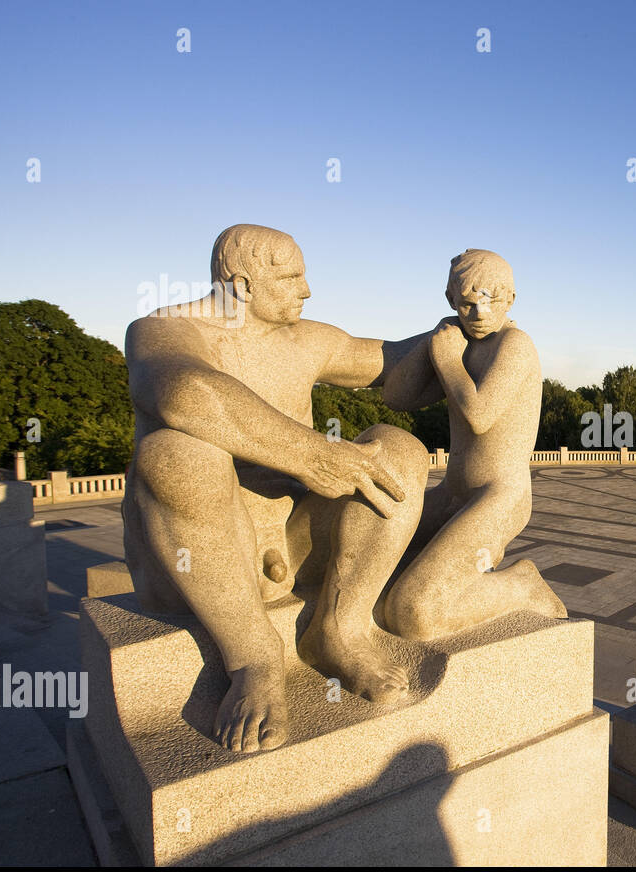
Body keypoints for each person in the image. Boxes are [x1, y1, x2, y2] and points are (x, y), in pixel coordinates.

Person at [123, 224, 429, 753]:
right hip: (205, 559)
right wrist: (313, 454)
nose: (306, 291)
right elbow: (185, 394)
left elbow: (393, 361)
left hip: (293, 541)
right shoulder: (164, 330)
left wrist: (464, 333)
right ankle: (253, 658)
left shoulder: (307, 339)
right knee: (175, 455)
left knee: (398, 452)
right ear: (241, 285)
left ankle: (340, 627)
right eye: (290, 278)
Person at [382, 250, 565, 640]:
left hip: (498, 499)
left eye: (491, 301)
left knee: (413, 612)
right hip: (453, 493)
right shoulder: (461, 342)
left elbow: (480, 417)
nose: (479, 313)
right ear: (451, 301)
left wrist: (447, 360)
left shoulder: (514, 344)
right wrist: (436, 339)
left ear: (511, 300)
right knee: (379, 549)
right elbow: (396, 397)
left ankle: (522, 585)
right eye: (467, 303)